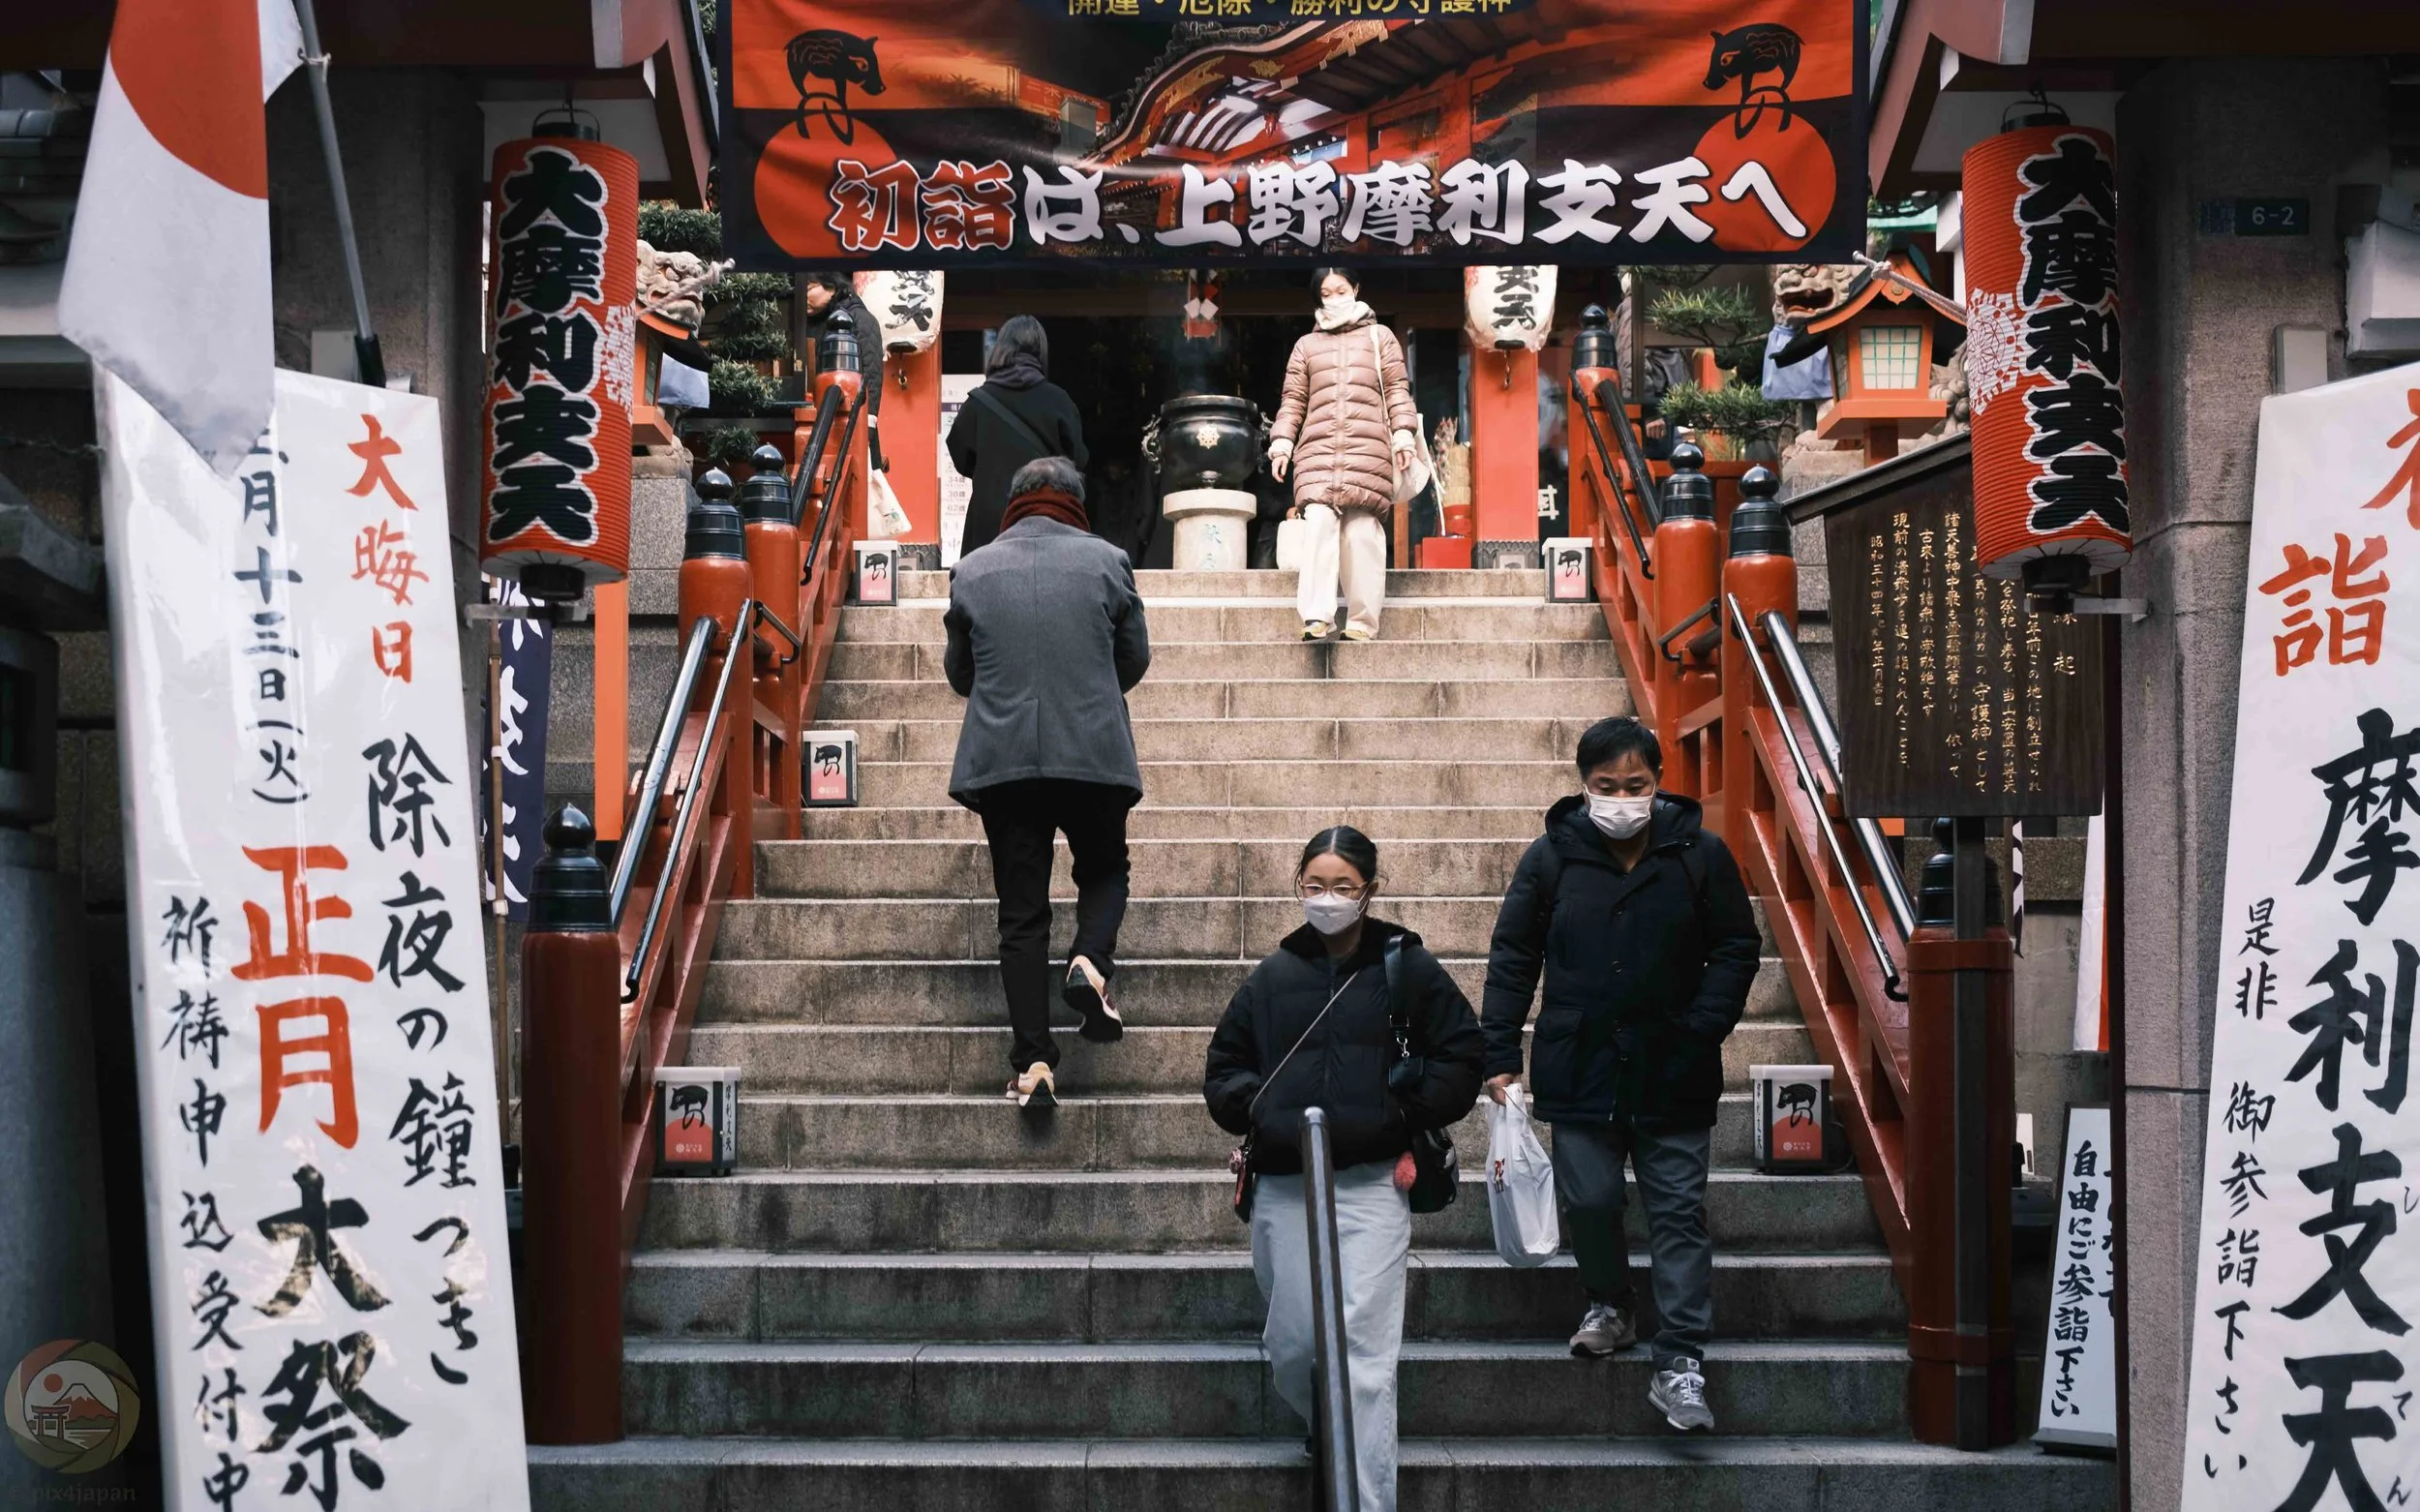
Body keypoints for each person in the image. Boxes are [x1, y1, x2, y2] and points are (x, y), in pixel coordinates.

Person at [1479, 715, 1761, 1434]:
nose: (1622, 798)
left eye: (1636, 785)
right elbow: (1514, 956)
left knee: (1676, 1213)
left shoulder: (1700, 854)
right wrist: (1499, 1055)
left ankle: (1682, 1359)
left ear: (1658, 782)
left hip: (1675, 1063)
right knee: (1592, 1198)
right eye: (1607, 786)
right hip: (1581, 1061)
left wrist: (1702, 1026)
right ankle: (1611, 1301)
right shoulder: (1551, 858)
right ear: (1584, 786)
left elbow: (1735, 947)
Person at [1203, 827, 1483, 1511]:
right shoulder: (1271, 977)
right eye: (1314, 885)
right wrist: (1261, 1111)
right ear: (1298, 886)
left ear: (1370, 891)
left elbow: (1462, 1054)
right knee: (1295, 1343)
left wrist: (1403, 1112)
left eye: (1342, 887)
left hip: (1370, 1184)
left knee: (1363, 1363)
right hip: (1286, 1183)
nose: (1326, 899)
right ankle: (1323, 1425)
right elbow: (1224, 1070)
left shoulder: (1404, 966)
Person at [945, 457, 1150, 1107]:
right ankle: (1090, 958)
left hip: (1004, 762)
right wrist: (1085, 686)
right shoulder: (1109, 561)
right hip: (1091, 750)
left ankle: (1034, 1063)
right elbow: (1134, 657)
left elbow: (960, 673)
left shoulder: (972, 570)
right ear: (1075, 503)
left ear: (1012, 504)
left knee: (1022, 913)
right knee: (1104, 868)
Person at [1267, 268, 1418, 643]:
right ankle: (1316, 617)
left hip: (1368, 450)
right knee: (1318, 524)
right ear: (1318, 298)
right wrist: (1282, 443)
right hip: (1318, 452)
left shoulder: (1380, 338)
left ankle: (1363, 621)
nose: (1335, 298)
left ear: (1356, 289)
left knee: (1361, 534)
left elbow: (1398, 389)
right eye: (1326, 293)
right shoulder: (1306, 346)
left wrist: (1403, 435)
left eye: (1341, 290)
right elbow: (1293, 401)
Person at [948, 315, 1089, 558]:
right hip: (1047, 518)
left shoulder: (978, 403)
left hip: (989, 524)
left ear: (1000, 348)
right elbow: (1078, 461)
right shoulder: (1059, 401)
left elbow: (961, 458)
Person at [801, 271, 889, 468]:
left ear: (831, 287)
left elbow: (871, 375)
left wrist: (868, 424)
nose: (803, 296)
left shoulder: (861, 319)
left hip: (849, 416)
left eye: (808, 289)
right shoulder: (806, 323)